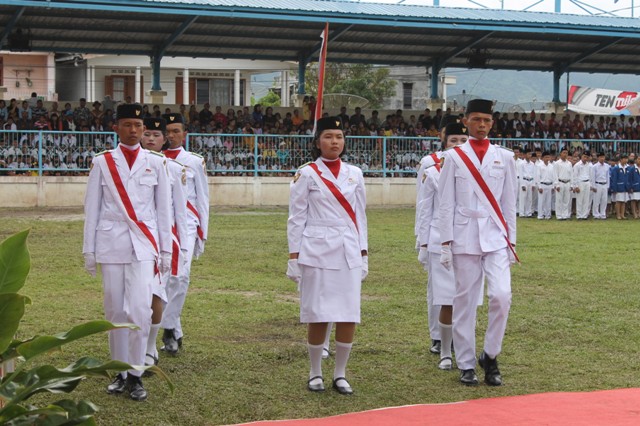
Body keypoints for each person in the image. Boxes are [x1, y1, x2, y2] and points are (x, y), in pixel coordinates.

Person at [83, 103, 172, 401]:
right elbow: (91, 210)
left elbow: (164, 212)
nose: (133, 130)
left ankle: (136, 373)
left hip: (144, 246)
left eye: (138, 125)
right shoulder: (102, 163)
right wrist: (89, 251)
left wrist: (166, 251)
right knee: (115, 311)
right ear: (116, 128)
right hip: (110, 244)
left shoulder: (156, 163)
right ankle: (120, 372)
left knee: (139, 309)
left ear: (144, 129)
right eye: (127, 125)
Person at [286, 116, 368, 395]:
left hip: (347, 249)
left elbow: (360, 217)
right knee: (318, 313)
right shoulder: (306, 173)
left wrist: (363, 253)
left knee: (348, 313)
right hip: (317, 249)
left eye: (339, 137)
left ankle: (341, 374)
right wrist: (294, 257)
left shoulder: (354, 173)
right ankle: (315, 372)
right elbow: (296, 218)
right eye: (329, 136)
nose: (335, 142)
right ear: (317, 141)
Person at [438, 99, 517, 387]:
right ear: (466, 120)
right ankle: (467, 363)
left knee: (501, 296)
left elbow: (509, 203)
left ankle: (491, 355)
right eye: (476, 120)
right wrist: (446, 242)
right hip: (464, 235)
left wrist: (512, 241)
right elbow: (446, 202)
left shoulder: (504, 157)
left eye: (486, 120)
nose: (482, 125)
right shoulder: (455, 157)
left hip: (496, 236)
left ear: (492, 122)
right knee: (465, 301)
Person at [417, 121, 470, 370]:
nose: (458, 145)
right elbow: (424, 207)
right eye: (453, 140)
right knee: (438, 294)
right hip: (438, 237)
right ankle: (438, 337)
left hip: (465, 237)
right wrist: (423, 243)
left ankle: (459, 342)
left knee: (463, 296)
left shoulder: (473, 165)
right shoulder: (430, 165)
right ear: (443, 139)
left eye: (463, 140)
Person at [140, 117, 189, 368]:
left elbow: (180, 211)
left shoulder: (174, 168)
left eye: (156, 135)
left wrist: (183, 243)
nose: (150, 139)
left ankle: (152, 345)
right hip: (137, 238)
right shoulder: (130, 165)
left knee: (161, 291)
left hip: (163, 238)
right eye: (146, 133)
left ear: (165, 139)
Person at [160, 113, 210, 354]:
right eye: (168, 131)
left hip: (187, 225)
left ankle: (168, 327)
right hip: (160, 225)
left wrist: (203, 233)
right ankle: (174, 328)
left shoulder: (193, 161)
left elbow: (203, 199)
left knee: (181, 275)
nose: (171, 135)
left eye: (176, 131)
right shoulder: (154, 158)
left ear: (185, 134)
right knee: (164, 277)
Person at [553, 148, 573, 220]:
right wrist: (556, 184)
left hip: (567, 182)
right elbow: (555, 174)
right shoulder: (557, 163)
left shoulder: (569, 163)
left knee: (566, 200)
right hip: (560, 182)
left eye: (566, 153)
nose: (565, 154)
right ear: (560, 154)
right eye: (564, 153)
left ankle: (565, 215)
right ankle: (559, 215)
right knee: (559, 200)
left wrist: (571, 185)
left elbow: (571, 174)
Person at [572, 152, 592, 220]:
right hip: (580, 182)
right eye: (584, 156)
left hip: (587, 182)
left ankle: (584, 215)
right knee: (580, 200)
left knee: (586, 200)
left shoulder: (589, 165)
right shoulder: (577, 165)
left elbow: (590, 175)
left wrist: (590, 184)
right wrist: (576, 186)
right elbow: (575, 176)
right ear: (581, 157)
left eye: (587, 157)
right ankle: (579, 215)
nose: (585, 158)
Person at [590, 152, 610, 220]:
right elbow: (593, 177)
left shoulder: (607, 166)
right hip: (597, 184)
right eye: (601, 157)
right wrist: (593, 186)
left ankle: (602, 214)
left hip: (604, 184)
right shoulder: (594, 166)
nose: (602, 158)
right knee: (596, 200)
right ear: (598, 158)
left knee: (604, 200)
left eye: (603, 157)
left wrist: (607, 186)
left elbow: (607, 176)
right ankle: (596, 214)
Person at [535, 151, 554, 220]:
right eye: (546, 157)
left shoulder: (551, 166)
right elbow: (537, 177)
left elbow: (553, 177)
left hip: (549, 184)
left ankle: (547, 215)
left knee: (548, 201)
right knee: (541, 201)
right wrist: (539, 186)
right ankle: (540, 215)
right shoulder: (539, 165)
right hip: (542, 184)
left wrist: (553, 186)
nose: (547, 158)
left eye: (548, 157)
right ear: (542, 158)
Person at [610, 154, 630, 220]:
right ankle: (618, 214)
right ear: (621, 159)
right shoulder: (616, 168)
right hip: (619, 187)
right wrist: (614, 188)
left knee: (623, 201)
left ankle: (622, 214)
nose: (626, 160)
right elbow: (614, 179)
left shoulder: (626, 168)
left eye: (626, 159)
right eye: (624, 158)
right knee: (618, 202)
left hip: (625, 187)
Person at [517, 150, 535, 217]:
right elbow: (521, 174)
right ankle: (521, 213)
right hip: (524, 180)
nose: (529, 155)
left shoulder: (532, 164)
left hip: (530, 180)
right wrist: (522, 184)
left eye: (530, 154)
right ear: (524, 155)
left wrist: (533, 184)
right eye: (528, 154)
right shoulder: (521, 163)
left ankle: (528, 213)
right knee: (523, 197)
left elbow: (533, 174)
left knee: (529, 198)